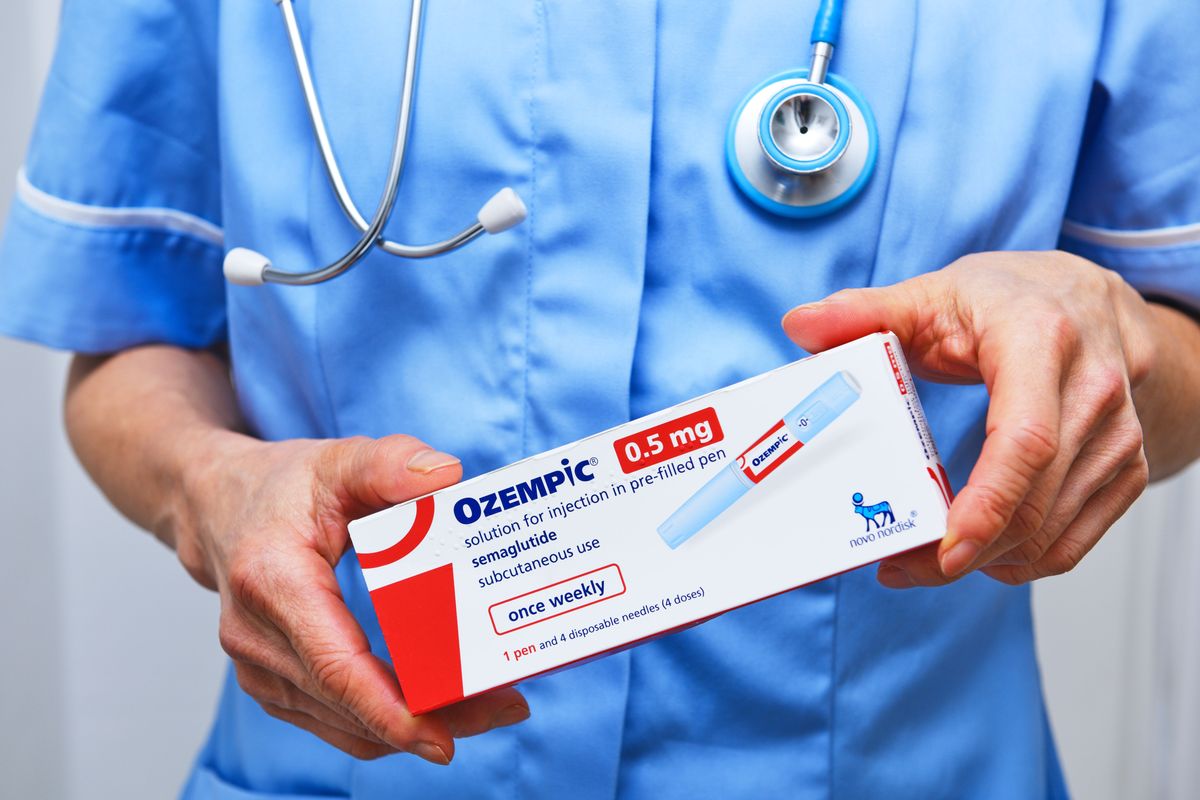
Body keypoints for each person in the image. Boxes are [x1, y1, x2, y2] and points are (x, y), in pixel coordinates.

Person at [2, 0, 1199, 797]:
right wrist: (210, 487)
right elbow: (127, 341)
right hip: (357, 763)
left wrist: (1110, 345)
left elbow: (1175, 333)